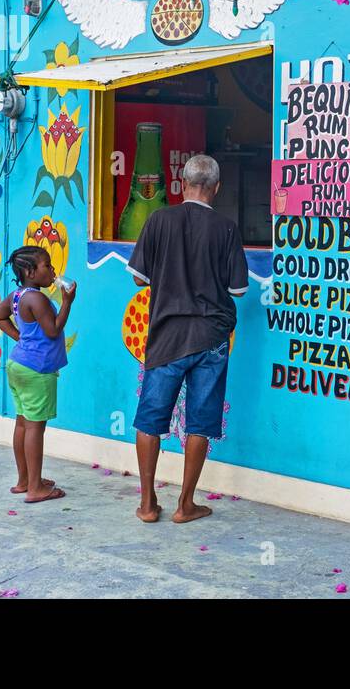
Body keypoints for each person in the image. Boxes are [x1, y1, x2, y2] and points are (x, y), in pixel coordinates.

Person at [128, 153, 248, 524]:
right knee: (200, 422)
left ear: (182, 184)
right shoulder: (226, 229)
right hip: (211, 338)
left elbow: (137, 277)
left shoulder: (158, 219)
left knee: (150, 420)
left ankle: (148, 504)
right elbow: (239, 289)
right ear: (216, 188)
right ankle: (185, 504)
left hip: (166, 337)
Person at [0, 246, 75, 504]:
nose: (52, 270)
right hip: (37, 370)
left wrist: (20, 337)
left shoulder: (18, 296)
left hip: (18, 365)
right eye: (46, 266)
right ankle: (36, 488)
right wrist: (67, 303)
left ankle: (24, 480)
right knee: (35, 428)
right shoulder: (38, 300)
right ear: (30, 271)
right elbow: (53, 330)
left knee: (23, 423)